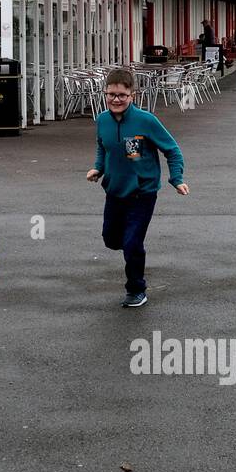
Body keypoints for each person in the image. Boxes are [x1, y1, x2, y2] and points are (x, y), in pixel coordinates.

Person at [86, 68, 189, 308]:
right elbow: (103, 146)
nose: (116, 99)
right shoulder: (101, 120)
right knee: (111, 240)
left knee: (132, 242)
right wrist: (98, 168)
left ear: (133, 94)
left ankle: (136, 289)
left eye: (122, 94)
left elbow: (172, 150)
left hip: (142, 192)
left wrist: (177, 178)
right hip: (114, 190)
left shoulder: (146, 121)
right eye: (111, 94)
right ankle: (132, 247)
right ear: (105, 94)